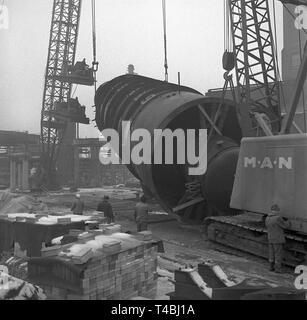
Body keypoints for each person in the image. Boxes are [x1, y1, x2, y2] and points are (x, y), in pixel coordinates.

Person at [265, 204, 290, 273]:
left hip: (270, 238)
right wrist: (288, 221)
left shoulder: (267, 218)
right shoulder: (277, 218)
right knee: (278, 254)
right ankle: (278, 269)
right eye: (278, 210)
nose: (279, 211)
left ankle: (271, 267)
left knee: (271, 253)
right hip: (277, 239)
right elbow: (285, 226)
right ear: (275, 210)